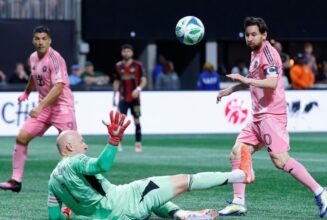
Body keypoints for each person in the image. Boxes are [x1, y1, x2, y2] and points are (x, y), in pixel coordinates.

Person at [216, 17, 327, 218]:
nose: (249, 38)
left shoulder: (268, 53)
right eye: (247, 35)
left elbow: (271, 82)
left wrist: (244, 79)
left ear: (264, 35)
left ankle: (321, 191)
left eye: (254, 34)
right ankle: (238, 202)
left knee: (280, 160)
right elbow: (254, 80)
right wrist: (231, 90)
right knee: (237, 152)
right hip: (258, 117)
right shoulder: (254, 53)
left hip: (271, 116)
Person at [47, 110, 254, 220]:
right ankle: (240, 175)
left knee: (155, 198)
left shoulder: (52, 182)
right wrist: (113, 141)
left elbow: (54, 218)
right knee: (185, 180)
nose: (85, 144)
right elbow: (101, 166)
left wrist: (67, 212)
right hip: (127, 200)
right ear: (68, 146)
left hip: (112, 216)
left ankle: (181, 215)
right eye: (81, 141)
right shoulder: (74, 161)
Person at [0, 26, 77, 192]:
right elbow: (34, 77)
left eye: (44, 38)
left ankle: (76, 185)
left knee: (71, 148)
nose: (40, 42)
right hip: (44, 108)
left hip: (62, 107)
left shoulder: (56, 58)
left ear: (50, 41)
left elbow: (58, 87)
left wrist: (39, 106)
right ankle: (16, 181)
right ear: (33, 40)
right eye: (37, 38)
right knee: (22, 137)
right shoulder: (33, 57)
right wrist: (26, 92)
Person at [113, 44, 147, 152]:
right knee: (120, 122)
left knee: (136, 120)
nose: (126, 53)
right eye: (124, 51)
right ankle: (119, 143)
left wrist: (138, 89)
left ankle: (138, 143)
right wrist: (114, 95)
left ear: (132, 53)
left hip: (135, 99)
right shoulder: (118, 66)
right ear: (122, 53)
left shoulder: (138, 65)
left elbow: (144, 80)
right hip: (123, 98)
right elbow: (116, 81)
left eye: (128, 51)